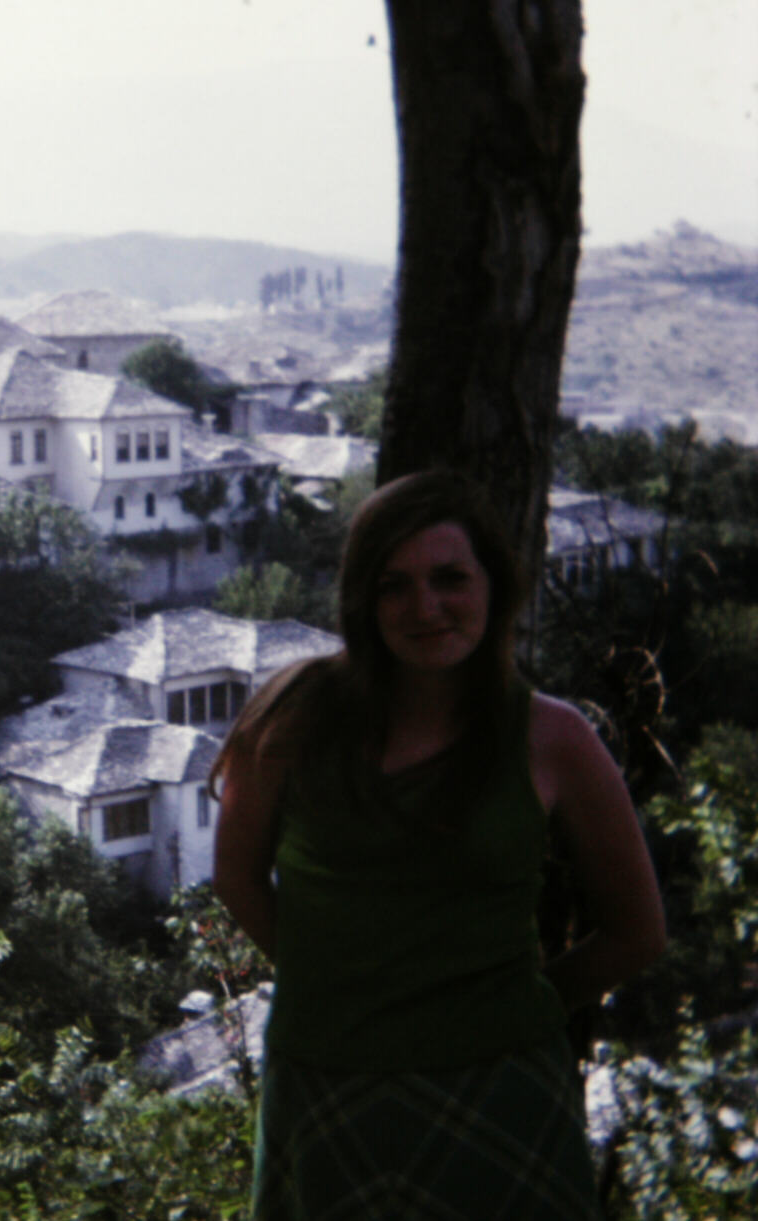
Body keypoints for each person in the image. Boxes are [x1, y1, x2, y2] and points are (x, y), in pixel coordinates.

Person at [211, 469, 666, 1220]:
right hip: (327, 1081)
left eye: (450, 577)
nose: (425, 606)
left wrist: (511, 1010)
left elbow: (636, 931)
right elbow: (236, 879)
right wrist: (333, 980)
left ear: (495, 584)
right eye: (395, 585)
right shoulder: (292, 721)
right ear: (363, 598)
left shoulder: (554, 738)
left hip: (501, 1093)